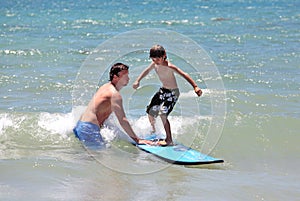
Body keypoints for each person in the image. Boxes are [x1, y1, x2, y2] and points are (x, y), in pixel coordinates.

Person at [133, 45, 202, 145]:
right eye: (153, 59)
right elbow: (146, 71)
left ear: (164, 55)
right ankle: (154, 130)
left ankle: (169, 140)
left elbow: (184, 74)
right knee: (150, 111)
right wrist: (137, 80)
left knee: (163, 113)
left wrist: (195, 86)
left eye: (158, 58)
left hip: (173, 93)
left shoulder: (170, 66)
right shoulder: (154, 64)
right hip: (163, 91)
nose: (155, 61)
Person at [73, 63, 154, 148]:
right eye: (124, 76)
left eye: (127, 75)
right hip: (89, 129)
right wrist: (137, 139)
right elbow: (122, 120)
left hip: (81, 125)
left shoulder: (105, 87)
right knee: (100, 156)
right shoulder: (114, 95)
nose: (128, 78)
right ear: (115, 77)